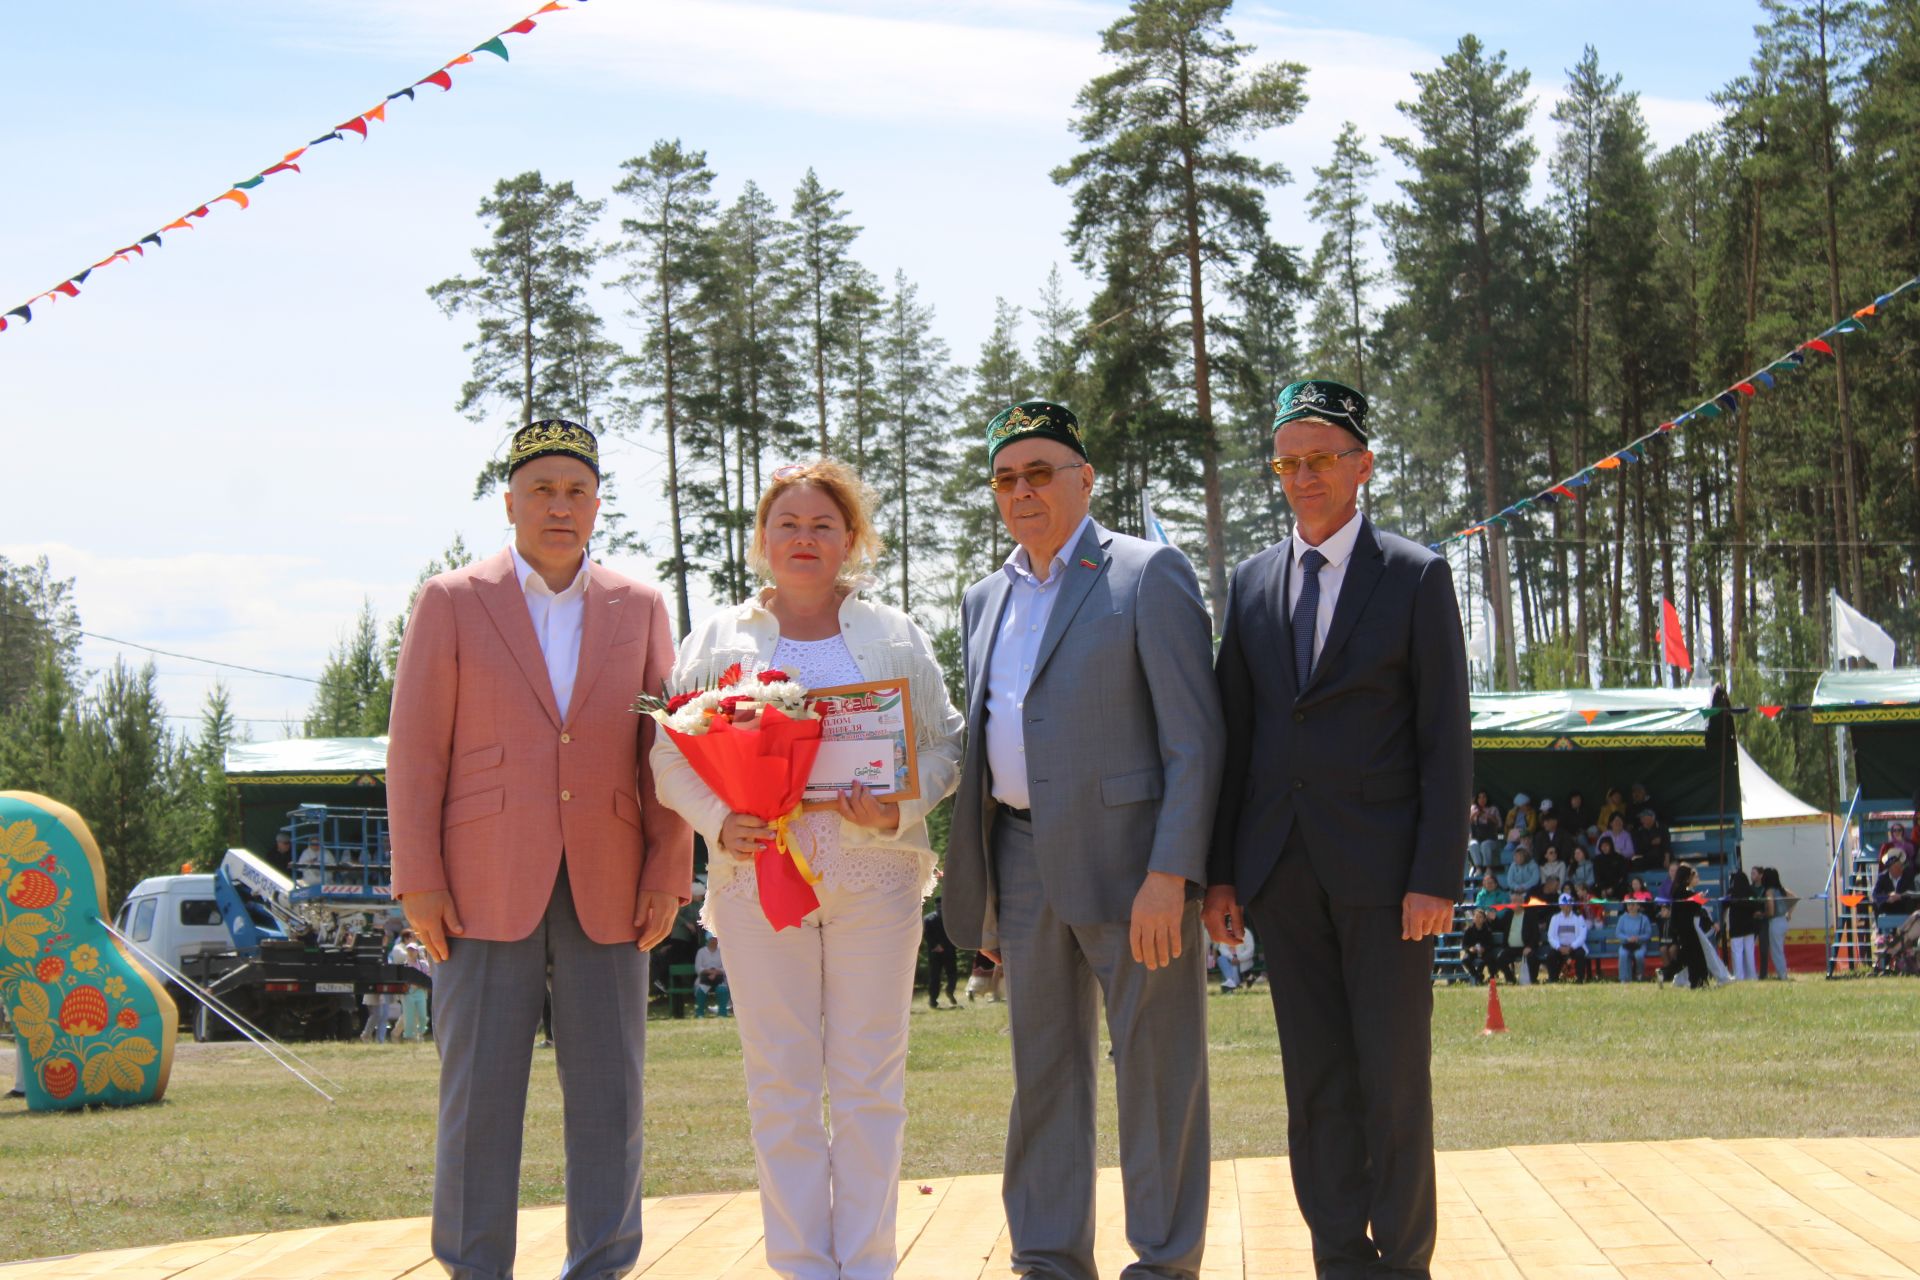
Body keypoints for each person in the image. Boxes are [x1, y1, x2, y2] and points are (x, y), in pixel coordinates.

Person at [389, 419, 694, 1280]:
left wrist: (668, 872)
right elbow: (416, 752)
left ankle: (603, 1265)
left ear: (597, 504)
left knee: (610, 1097)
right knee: (479, 1098)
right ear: (510, 501)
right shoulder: (451, 600)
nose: (560, 507)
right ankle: (473, 1266)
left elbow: (665, 749)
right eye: (542, 490)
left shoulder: (638, 606)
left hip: (611, 878)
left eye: (577, 491)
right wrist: (418, 877)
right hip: (479, 883)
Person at [651, 458, 965, 1280]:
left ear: (851, 539)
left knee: (870, 1084)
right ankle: (800, 1266)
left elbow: (944, 745)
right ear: (761, 540)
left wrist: (897, 806)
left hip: (878, 883)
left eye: (823, 525)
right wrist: (723, 822)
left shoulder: (895, 633)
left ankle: (866, 1265)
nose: (804, 538)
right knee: (781, 1085)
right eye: (786, 524)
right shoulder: (717, 640)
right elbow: (667, 754)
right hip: (759, 883)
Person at [944, 400, 1224, 1280]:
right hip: (1021, 864)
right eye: (1005, 477)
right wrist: (986, 887)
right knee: (1044, 1074)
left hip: (1134, 868)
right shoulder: (983, 597)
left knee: (1157, 1071)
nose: (1022, 490)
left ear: (1085, 478)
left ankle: (1165, 1260)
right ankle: (1048, 1256)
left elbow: (1195, 738)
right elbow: (988, 737)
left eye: (1040, 472)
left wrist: (1170, 873)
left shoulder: (1148, 573)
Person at [1208, 378, 1470, 1280]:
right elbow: (1233, 740)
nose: (1304, 475)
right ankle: (1338, 1261)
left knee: (1393, 1083)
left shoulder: (1415, 575)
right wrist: (1221, 875)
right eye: (1288, 461)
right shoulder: (1248, 584)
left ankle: (1403, 1263)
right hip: (1280, 875)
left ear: (1362, 465)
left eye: (1322, 457)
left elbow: (1445, 739)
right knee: (1315, 1086)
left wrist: (1437, 872)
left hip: (1391, 881)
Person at [1544, 895, 1590, 983]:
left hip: (1574, 947)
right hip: (1560, 947)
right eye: (1565, 904)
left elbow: (1582, 936)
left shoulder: (1579, 917)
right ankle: (1553, 979)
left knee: (1580, 954)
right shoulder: (1555, 918)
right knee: (1551, 956)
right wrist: (1559, 947)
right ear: (1560, 906)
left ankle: (1580, 979)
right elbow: (1551, 936)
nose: (1568, 906)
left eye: (1569, 904)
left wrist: (1572, 946)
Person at [1723, 871, 1760, 981]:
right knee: (1749, 952)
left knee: (1737, 952)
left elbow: (1724, 905)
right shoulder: (1750, 892)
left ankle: (1739, 976)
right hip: (1749, 927)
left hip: (1736, 927)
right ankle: (1752, 975)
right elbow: (1756, 906)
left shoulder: (1731, 892)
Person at [1496, 889, 1538, 984]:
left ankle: (1532, 980)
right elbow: (1499, 925)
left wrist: (1529, 947)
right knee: (1500, 959)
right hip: (1511, 948)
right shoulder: (1508, 915)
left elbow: (1535, 935)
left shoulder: (1530, 916)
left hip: (1525, 947)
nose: (1513, 903)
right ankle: (1510, 978)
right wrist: (1493, 918)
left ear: (1522, 902)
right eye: (1512, 901)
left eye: (1515, 901)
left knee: (1532, 957)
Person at [923, 901, 960, 1010]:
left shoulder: (950, 919)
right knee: (936, 977)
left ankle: (947, 992)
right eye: (938, 906)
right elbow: (927, 934)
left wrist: (940, 945)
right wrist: (936, 946)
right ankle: (934, 999)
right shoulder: (929, 919)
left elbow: (954, 933)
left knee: (949, 975)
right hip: (937, 952)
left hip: (945, 951)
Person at [1758, 866, 1792, 980]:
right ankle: (1782, 973)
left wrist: (1762, 914)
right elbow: (1794, 897)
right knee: (1779, 949)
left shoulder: (1769, 892)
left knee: (1776, 950)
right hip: (1783, 920)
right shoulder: (1782, 890)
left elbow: (1771, 911)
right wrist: (1789, 913)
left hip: (1775, 922)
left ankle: (1782, 974)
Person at [1613, 897, 1652, 982]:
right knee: (1623, 954)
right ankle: (1624, 978)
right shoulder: (1622, 918)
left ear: (1638, 906)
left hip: (1640, 944)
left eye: (1633, 904)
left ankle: (1639, 975)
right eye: (1629, 905)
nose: (1630, 907)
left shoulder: (1644, 918)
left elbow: (1648, 934)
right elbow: (1618, 933)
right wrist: (1627, 938)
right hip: (1626, 944)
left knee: (1639, 955)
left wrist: (1638, 938)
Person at [692, 934, 730, 1019]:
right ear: (707, 940)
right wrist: (708, 972)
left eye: (715, 939)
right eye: (711, 939)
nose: (713, 941)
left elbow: (726, 967)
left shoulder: (722, 951)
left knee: (722, 990)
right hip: (704, 978)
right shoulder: (701, 952)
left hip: (720, 977)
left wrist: (716, 972)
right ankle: (700, 1013)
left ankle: (722, 1013)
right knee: (701, 989)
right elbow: (698, 968)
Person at [1459, 909, 1498, 985]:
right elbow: (1464, 945)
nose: (1478, 919)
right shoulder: (1468, 930)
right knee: (1465, 960)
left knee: (1490, 958)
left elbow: (1491, 944)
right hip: (1472, 952)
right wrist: (1470, 949)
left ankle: (1491, 977)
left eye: (1480, 917)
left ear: (1484, 919)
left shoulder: (1487, 930)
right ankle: (1477, 976)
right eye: (1476, 917)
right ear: (1473, 918)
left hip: (1484, 952)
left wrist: (1484, 948)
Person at [1215, 925, 1257, 993]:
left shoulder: (1246, 933)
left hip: (1241, 960)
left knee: (1234, 966)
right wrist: (1232, 958)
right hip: (1230, 958)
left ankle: (1231, 982)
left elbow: (1250, 950)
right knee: (1221, 958)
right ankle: (1231, 981)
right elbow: (1222, 947)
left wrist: (1239, 958)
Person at [1468, 790, 1503, 871]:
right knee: (1473, 845)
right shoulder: (1473, 808)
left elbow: (1500, 825)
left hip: (1491, 838)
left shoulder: (1493, 809)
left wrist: (1489, 817)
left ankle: (1488, 868)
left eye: (1484, 797)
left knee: (1485, 844)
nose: (1482, 799)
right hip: (1477, 838)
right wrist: (1473, 816)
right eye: (1479, 797)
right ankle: (1478, 868)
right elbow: (1466, 825)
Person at [1592, 835, 1629, 901]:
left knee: (1623, 889)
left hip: (1617, 886)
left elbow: (1623, 876)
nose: (1604, 848)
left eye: (1606, 845)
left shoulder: (1619, 858)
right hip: (1603, 887)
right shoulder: (1597, 860)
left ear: (1611, 846)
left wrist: (1613, 888)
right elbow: (1597, 876)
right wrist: (1603, 889)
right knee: (1593, 890)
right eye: (1602, 846)